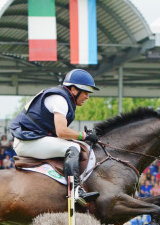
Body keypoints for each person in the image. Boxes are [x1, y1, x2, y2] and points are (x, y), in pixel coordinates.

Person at [9, 68, 100, 205]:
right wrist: (84, 135)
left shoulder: (62, 97)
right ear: (74, 90)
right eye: (86, 92)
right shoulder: (60, 99)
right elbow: (62, 132)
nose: (87, 96)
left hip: (32, 138)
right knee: (73, 147)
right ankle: (75, 191)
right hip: (27, 141)